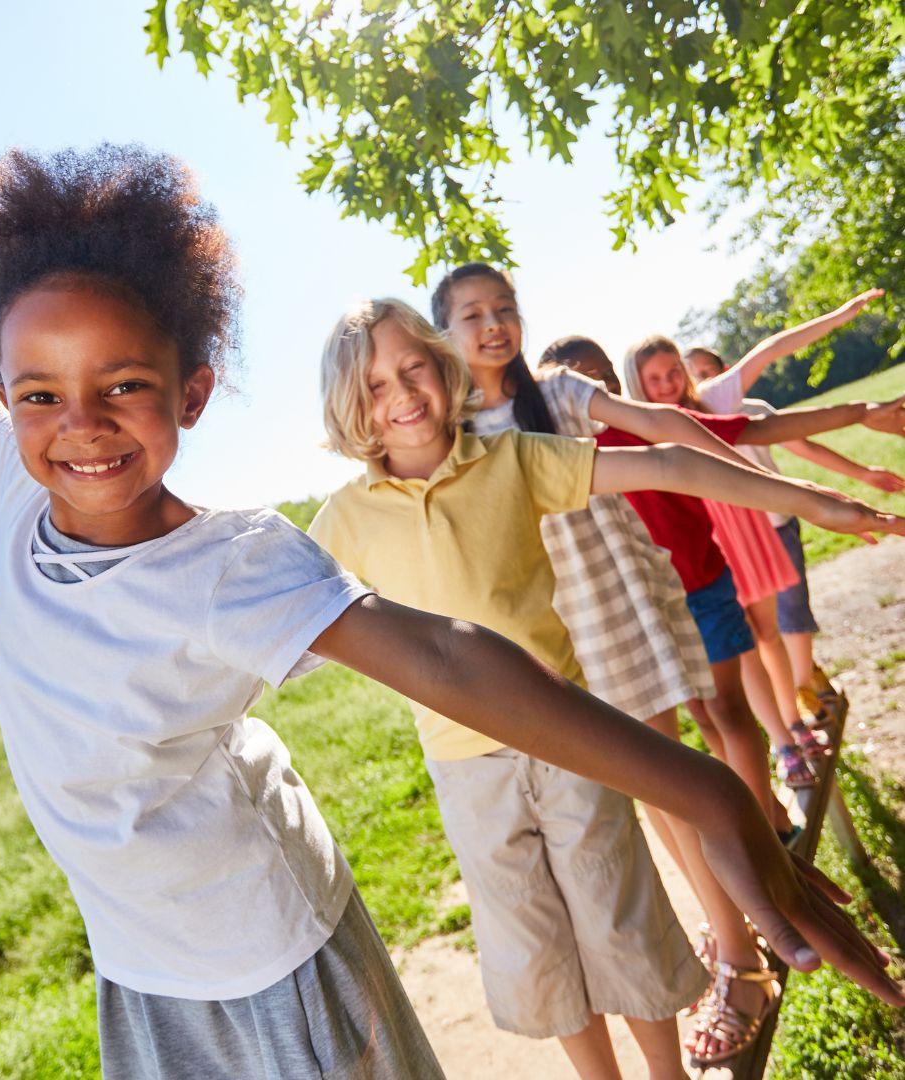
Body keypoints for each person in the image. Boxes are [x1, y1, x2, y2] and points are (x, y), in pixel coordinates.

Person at [0, 146, 902, 1080]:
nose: (81, 427)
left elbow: (445, 654)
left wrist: (713, 793)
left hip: (276, 952)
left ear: (191, 392)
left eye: (122, 386)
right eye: (40, 393)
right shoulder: (18, 493)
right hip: (141, 967)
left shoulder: (230, 562)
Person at [308, 296, 902, 1072]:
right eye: (376, 384)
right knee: (535, 950)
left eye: (412, 367)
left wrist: (808, 499)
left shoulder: (513, 459)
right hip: (465, 770)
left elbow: (663, 463)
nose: (402, 393)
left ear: (441, 365)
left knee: (621, 922)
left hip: (567, 739)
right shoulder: (342, 521)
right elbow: (274, 630)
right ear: (351, 407)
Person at [683, 290, 901, 725]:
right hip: (734, 539)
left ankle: (803, 684)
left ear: (725, 375)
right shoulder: (683, 419)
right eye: (695, 378)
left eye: (709, 374)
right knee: (761, 630)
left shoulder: (746, 407)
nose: (701, 385)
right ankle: (790, 701)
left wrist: (863, 476)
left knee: (793, 606)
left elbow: (805, 446)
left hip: (778, 520)